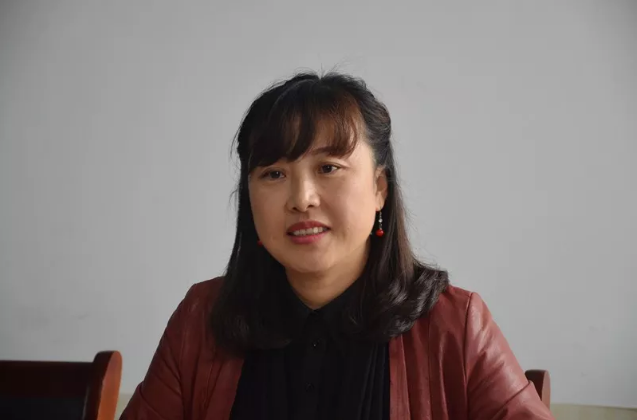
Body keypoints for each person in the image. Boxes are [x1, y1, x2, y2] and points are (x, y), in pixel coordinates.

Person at [120, 72, 554, 419]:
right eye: (274, 174)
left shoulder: (456, 327)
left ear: (379, 188)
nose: (301, 198)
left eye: (328, 167)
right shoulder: (202, 318)